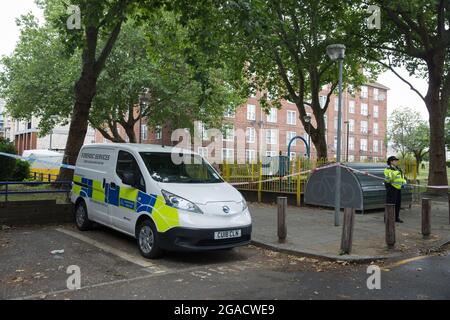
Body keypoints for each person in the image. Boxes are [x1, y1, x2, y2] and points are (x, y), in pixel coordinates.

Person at [384, 156, 407, 223]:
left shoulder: (398, 169)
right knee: (390, 203)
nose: (397, 162)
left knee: (398, 204)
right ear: (391, 161)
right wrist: (397, 171)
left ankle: (396, 218)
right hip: (391, 188)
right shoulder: (387, 169)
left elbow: (400, 178)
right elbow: (390, 178)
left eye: (397, 160)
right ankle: (387, 218)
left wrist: (403, 182)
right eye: (395, 160)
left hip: (398, 188)